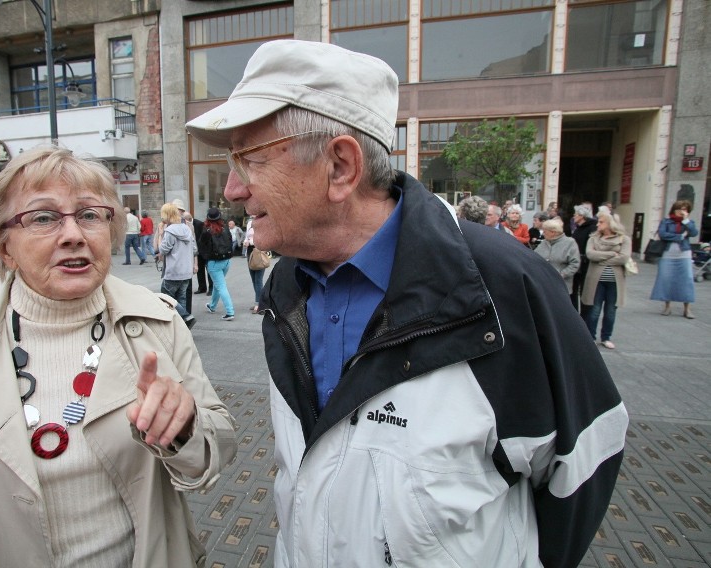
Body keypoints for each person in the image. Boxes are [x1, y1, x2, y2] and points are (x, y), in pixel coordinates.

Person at [186, 39, 627, 568]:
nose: (232, 188)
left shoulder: (503, 285)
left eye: (249, 159)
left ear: (341, 167)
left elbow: (583, 465)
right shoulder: (287, 284)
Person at [0, 146, 236, 566]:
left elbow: (214, 452)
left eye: (90, 215)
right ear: (6, 248)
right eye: (43, 217)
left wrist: (184, 426)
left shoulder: (158, 323)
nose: (74, 234)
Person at [582, 211, 631, 349]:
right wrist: (611, 254)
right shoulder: (593, 238)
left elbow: (624, 257)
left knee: (610, 310)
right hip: (596, 280)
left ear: (610, 223)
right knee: (594, 308)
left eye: (601, 222)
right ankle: (590, 336)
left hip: (614, 281)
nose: (598, 224)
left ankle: (606, 337)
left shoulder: (624, 239)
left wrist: (602, 258)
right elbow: (591, 254)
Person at [650, 200, 698, 319]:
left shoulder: (689, 222)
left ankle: (687, 309)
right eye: (679, 209)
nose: (682, 212)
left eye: (685, 210)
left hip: (684, 254)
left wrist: (686, 220)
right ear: (674, 210)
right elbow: (663, 234)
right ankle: (667, 306)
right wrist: (680, 236)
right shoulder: (666, 221)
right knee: (667, 279)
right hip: (668, 254)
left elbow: (693, 233)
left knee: (686, 279)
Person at [156, 202, 198, 329]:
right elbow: (194, 248)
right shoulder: (187, 229)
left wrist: (161, 234)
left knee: (166, 298)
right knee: (182, 299)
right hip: (186, 271)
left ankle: (185, 317)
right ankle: (182, 327)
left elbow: (163, 249)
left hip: (173, 271)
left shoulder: (169, 231)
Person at [199, 207, 235, 321]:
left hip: (214, 263)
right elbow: (231, 240)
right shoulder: (225, 228)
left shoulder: (207, 230)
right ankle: (212, 306)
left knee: (221, 286)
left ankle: (230, 312)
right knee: (217, 285)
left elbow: (201, 245)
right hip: (226, 261)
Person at [534, 218, 580, 296]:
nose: (543, 234)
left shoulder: (570, 243)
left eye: (545, 231)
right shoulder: (544, 243)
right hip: (543, 285)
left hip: (561, 286)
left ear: (553, 232)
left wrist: (562, 274)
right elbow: (534, 258)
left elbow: (575, 264)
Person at [570, 204, 597, 313]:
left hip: (585, 264)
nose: (574, 216)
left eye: (576, 214)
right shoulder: (578, 228)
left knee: (584, 291)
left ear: (582, 216)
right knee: (574, 290)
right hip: (577, 263)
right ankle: (574, 312)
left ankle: (584, 314)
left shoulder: (592, 228)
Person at [244, 216, 266, 314]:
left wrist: (251, 242)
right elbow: (246, 236)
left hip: (259, 251)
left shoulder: (263, 221)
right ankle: (258, 301)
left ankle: (260, 304)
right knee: (253, 279)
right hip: (250, 252)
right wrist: (246, 241)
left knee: (258, 280)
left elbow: (265, 238)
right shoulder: (249, 222)